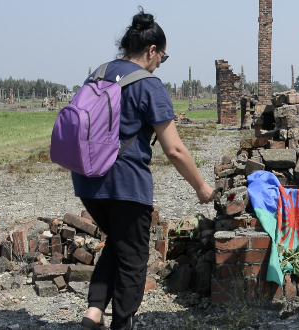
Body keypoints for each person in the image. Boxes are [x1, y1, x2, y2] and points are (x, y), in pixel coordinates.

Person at [76, 8, 215, 330]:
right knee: (135, 257)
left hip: (85, 178)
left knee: (120, 241)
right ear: (152, 50)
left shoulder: (97, 73)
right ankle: (122, 324)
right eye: (162, 58)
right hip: (125, 183)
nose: (160, 64)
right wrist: (201, 187)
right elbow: (175, 149)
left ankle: (94, 311)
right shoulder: (149, 85)